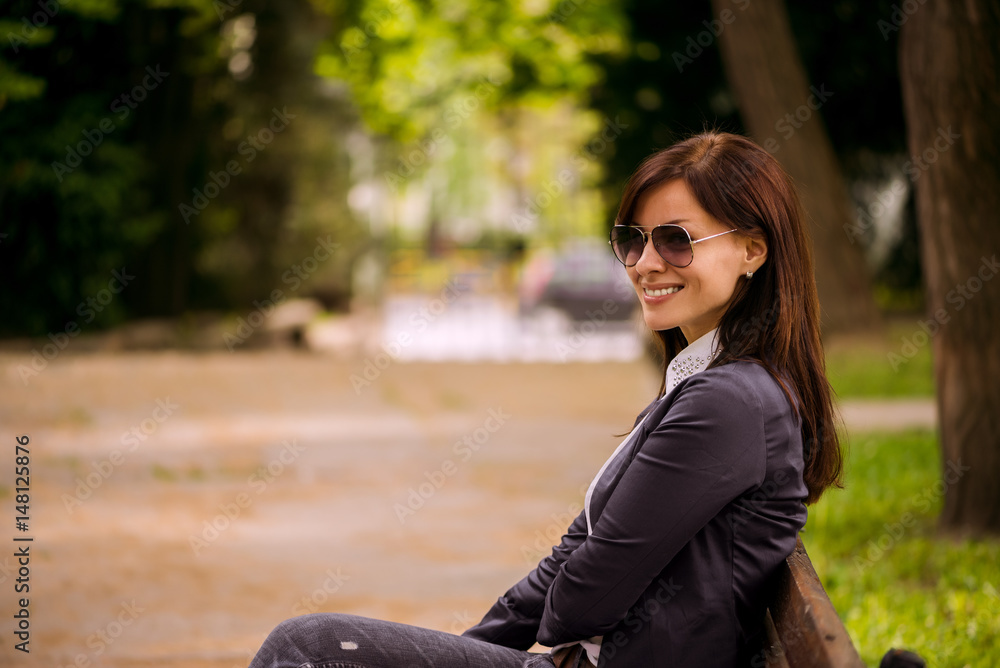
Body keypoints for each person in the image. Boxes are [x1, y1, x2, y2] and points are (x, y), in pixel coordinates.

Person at [247, 131, 843, 668]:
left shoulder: (729, 403)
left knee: (306, 649)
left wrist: (548, 620)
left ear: (752, 252)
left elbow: (585, 595)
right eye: (632, 241)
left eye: (676, 241)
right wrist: (470, 651)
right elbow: (575, 555)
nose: (645, 263)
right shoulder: (707, 382)